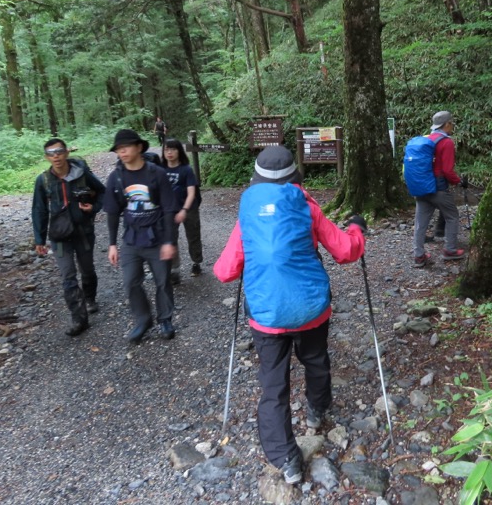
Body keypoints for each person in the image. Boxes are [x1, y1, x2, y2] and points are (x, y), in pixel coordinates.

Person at [213, 146, 366, 485]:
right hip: (310, 308)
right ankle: (316, 410)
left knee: (273, 384)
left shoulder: (248, 212)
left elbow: (225, 271)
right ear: (295, 176)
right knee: (315, 359)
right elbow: (345, 250)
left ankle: (287, 459)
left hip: (266, 317)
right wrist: (357, 229)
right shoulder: (306, 206)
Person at [104, 129, 180, 342]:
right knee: (130, 283)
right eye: (119, 149)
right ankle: (142, 320)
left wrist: (169, 241)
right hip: (131, 239)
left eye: (126, 147)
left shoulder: (157, 173)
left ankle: (165, 319)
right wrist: (112, 244)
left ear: (139, 147)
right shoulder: (116, 177)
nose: (122, 151)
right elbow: (112, 211)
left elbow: (168, 209)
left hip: (157, 237)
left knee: (163, 281)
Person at [31, 139, 106, 337]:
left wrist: (94, 208)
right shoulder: (44, 180)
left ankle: (90, 299)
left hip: (83, 232)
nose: (55, 156)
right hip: (59, 235)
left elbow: (102, 192)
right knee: (68, 276)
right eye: (50, 153)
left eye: (59, 151)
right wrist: (39, 239)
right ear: (46, 157)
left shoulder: (81, 174)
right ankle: (78, 318)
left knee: (87, 269)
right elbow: (39, 210)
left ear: (66, 153)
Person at [412, 110, 466, 267]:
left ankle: (419, 256)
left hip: (421, 185)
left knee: (420, 222)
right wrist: (458, 181)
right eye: (452, 123)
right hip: (438, 187)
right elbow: (448, 170)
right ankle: (450, 250)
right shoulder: (446, 142)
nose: (452, 126)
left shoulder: (427, 139)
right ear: (447, 124)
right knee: (452, 216)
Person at [161, 137, 203, 283]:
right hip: (169, 210)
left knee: (193, 236)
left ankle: (196, 262)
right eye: (167, 149)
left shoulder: (186, 170)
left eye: (173, 149)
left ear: (179, 151)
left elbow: (191, 192)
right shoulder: (160, 169)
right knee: (171, 238)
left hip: (189, 207)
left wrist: (184, 209)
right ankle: (174, 270)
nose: (169, 152)